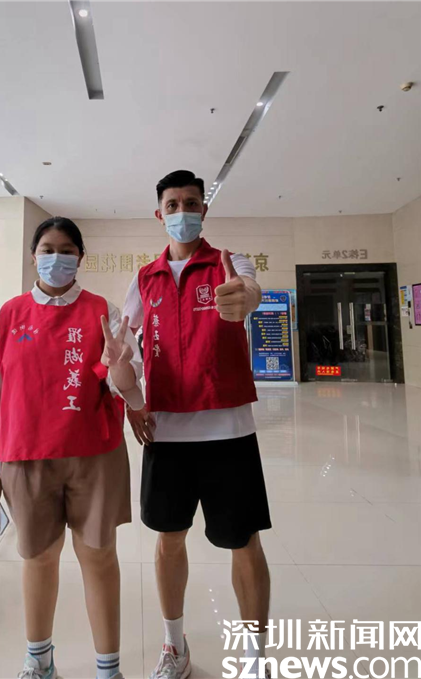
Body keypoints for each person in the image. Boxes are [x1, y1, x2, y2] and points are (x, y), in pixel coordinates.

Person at [0, 217, 144, 679]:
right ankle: (39, 661)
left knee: (98, 556)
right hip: (27, 457)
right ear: (33, 256)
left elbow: (128, 384)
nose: (56, 257)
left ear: (80, 257)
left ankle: (108, 669)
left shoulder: (103, 312)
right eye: (47, 249)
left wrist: (120, 368)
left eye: (67, 249)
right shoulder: (9, 316)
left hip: (95, 455)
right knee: (38, 557)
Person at [123, 170, 272, 679]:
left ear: (204, 211)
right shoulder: (145, 278)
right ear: (159, 213)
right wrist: (130, 398)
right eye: (173, 204)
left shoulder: (230, 263)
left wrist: (245, 296)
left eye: (191, 203)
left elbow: (248, 290)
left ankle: (255, 659)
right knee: (168, 541)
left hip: (229, 430)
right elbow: (125, 346)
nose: (182, 211)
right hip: (166, 433)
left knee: (244, 542)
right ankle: (175, 646)